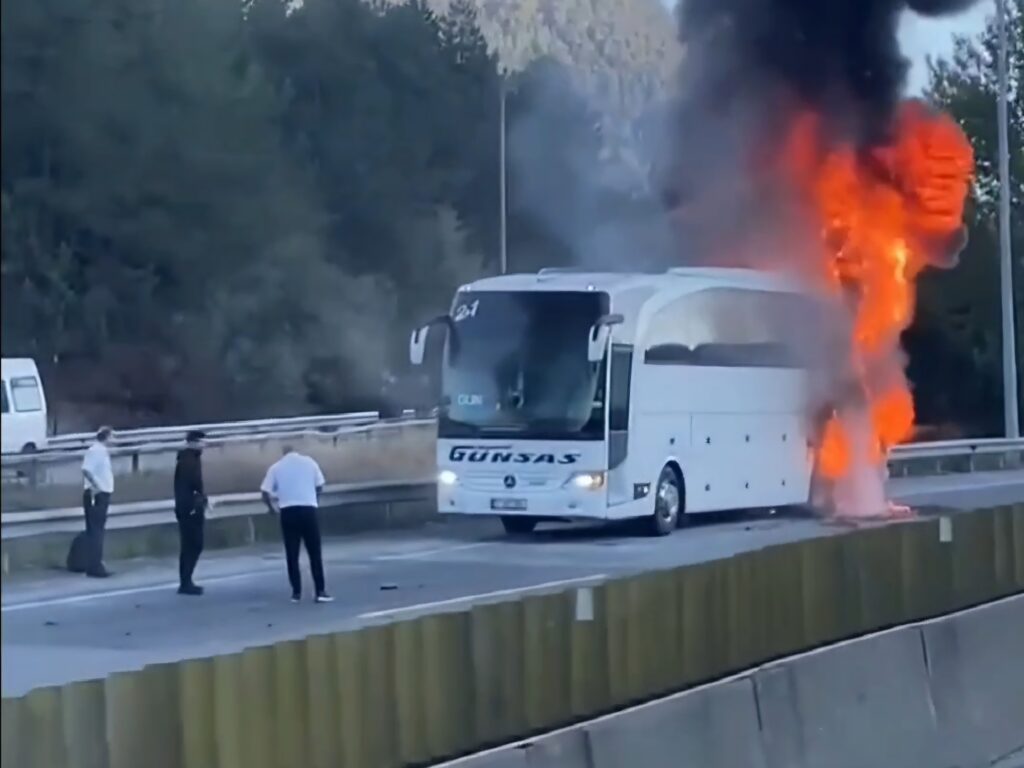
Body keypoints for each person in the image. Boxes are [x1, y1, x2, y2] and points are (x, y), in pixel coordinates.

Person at [260, 445, 333, 603]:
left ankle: (296, 593)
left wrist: (272, 509)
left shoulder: (276, 467)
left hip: (288, 511)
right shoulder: (310, 462)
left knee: (292, 554)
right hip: (308, 510)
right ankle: (320, 591)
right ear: (297, 451)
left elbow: (264, 492)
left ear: (283, 453)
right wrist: (314, 500)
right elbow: (320, 485)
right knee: (314, 552)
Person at [174, 430, 207, 595]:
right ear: (193, 442)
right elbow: (191, 486)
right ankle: (185, 581)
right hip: (190, 509)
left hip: (190, 507)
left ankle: (186, 580)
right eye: (201, 441)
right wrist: (196, 504)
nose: (204, 444)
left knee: (192, 545)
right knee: (193, 544)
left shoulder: (191, 458)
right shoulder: (189, 460)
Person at [80, 426, 114, 578]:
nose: (114, 440)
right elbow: (86, 469)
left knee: (96, 530)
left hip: (101, 493)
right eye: (112, 436)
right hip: (97, 495)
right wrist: (97, 487)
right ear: (106, 436)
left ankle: (94, 563)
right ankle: (95, 566)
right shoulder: (96, 451)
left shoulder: (101, 451)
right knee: (96, 531)